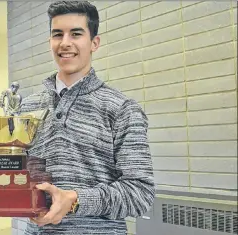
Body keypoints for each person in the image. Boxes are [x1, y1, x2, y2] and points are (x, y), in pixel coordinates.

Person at [18, 1, 156, 234]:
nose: (65, 43)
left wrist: (75, 199)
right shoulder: (28, 107)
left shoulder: (121, 109)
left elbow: (140, 194)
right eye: (57, 34)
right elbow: (18, 177)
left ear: (94, 43)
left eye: (76, 33)